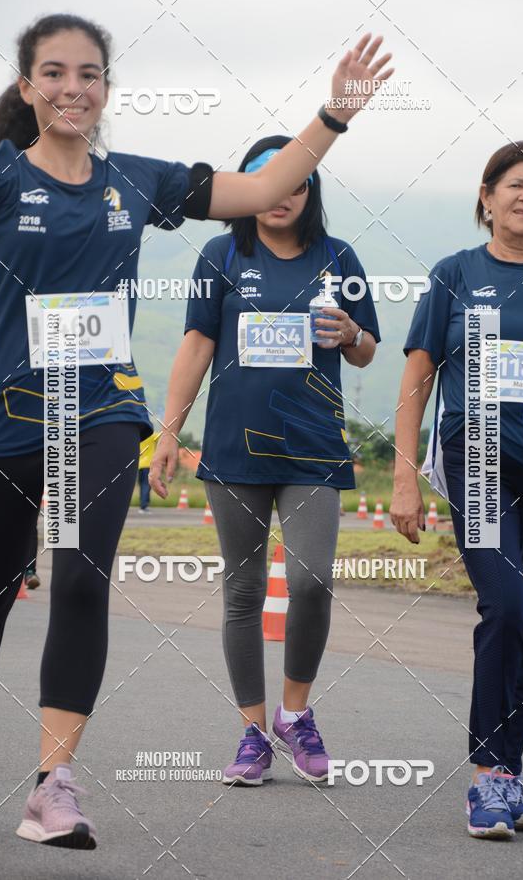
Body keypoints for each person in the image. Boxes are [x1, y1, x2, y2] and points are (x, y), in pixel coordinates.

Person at [0, 12, 393, 846]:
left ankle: (53, 782)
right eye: (53, 73)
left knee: (84, 581)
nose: (71, 88)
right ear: (28, 87)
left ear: (105, 89)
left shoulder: (135, 181)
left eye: (88, 74)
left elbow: (264, 189)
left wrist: (334, 115)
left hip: (99, 411)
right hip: (0, 415)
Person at [150, 134, 380, 787]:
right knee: (244, 589)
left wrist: (352, 334)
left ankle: (295, 713)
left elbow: (366, 351)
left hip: (313, 448)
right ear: (249, 190)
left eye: (295, 182)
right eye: (266, 180)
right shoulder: (221, 255)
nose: (281, 193)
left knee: (311, 582)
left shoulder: (341, 258)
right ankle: (252, 733)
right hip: (233, 448)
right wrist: (170, 430)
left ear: (310, 190)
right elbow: (196, 346)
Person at [390, 141, 523, 840]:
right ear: (487, 196)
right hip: (483, 461)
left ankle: (509, 772)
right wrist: (405, 473)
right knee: (505, 605)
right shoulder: (455, 275)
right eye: (516, 184)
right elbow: (417, 379)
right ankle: (486, 776)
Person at [137, 431, 160, 513]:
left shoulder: (139, 437)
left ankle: (142, 505)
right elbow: (162, 435)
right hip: (148, 464)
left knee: (142, 486)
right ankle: (144, 506)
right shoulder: (151, 436)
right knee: (146, 486)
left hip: (140, 465)